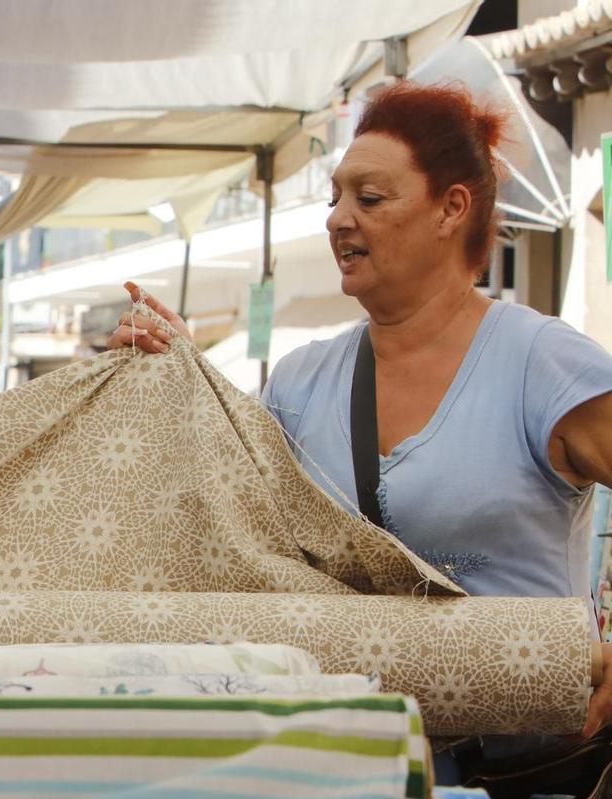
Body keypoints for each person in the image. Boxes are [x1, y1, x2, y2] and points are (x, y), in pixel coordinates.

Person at [111, 80, 612, 738]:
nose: (337, 218)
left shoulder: (540, 362)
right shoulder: (300, 382)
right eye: (335, 198)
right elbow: (238, 543)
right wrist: (176, 383)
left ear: (450, 209)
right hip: (343, 760)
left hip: (522, 780)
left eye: (369, 197)